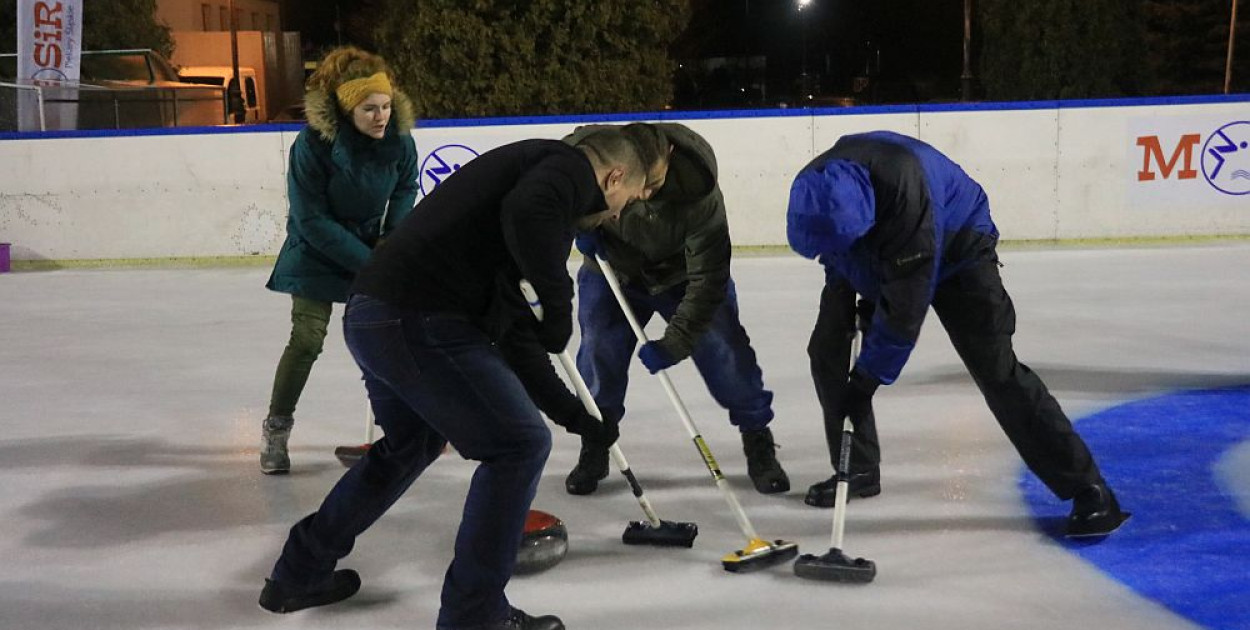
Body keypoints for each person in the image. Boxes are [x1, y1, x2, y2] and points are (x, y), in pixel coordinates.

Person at [258, 130, 647, 630]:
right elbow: (528, 213)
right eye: (627, 200)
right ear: (613, 177)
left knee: (412, 443)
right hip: (418, 319)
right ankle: (473, 615)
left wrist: (576, 416)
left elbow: (519, 343)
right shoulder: (565, 169)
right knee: (519, 447)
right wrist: (559, 301)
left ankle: (299, 573)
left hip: (374, 314)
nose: (616, 214)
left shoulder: (524, 205)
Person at [786, 130, 1129, 538]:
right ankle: (856, 468)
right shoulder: (814, 190)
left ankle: (1089, 491)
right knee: (826, 351)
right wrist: (855, 285)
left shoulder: (905, 191)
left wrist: (866, 379)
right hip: (881, 244)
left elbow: (906, 309)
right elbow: (836, 247)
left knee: (996, 370)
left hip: (959, 246)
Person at [562, 122, 789, 496]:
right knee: (599, 350)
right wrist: (578, 222)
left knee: (725, 352)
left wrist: (675, 343)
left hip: (682, 276)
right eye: (640, 186)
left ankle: (757, 437)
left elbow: (708, 281)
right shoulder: (592, 153)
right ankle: (596, 441)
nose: (645, 194)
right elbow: (553, 184)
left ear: (670, 156)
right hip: (612, 271)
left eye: (654, 185)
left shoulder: (700, 197)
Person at [260, 46, 418, 474]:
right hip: (316, 252)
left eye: (386, 106)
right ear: (347, 109)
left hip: (372, 248)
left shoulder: (399, 140)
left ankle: (402, 426)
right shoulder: (312, 145)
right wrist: (369, 261)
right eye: (369, 109)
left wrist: (391, 243)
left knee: (384, 337)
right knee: (307, 339)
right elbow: (310, 218)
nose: (381, 116)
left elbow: (406, 189)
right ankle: (276, 429)